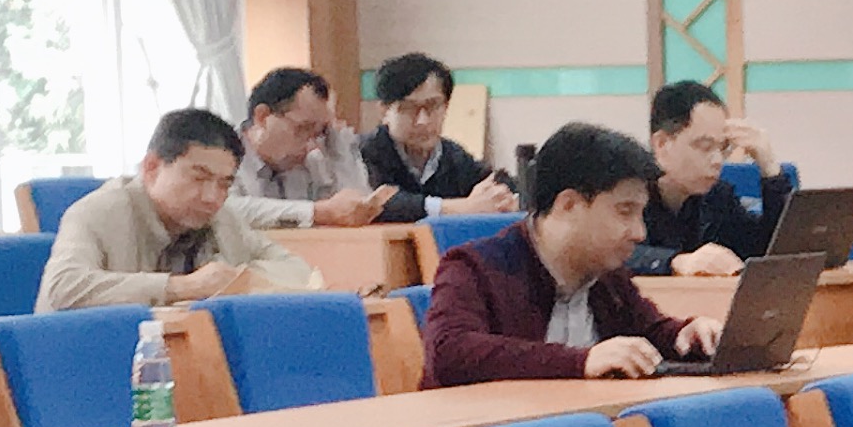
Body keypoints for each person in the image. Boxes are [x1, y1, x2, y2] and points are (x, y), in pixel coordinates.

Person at [421, 123, 720, 385]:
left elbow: (650, 331)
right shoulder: (474, 268)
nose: (639, 232)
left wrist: (686, 335)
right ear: (568, 205)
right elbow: (450, 353)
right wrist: (580, 362)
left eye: (640, 214)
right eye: (625, 211)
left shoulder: (607, 276)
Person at [39, 109, 323, 310]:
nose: (212, 197)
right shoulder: (96, 212)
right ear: (152, 167)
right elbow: (63, 287)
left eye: (224, 184)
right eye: (198, 178)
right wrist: (182, 287)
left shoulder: (222, 219)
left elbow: (298, 271)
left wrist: (237, 280)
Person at [631, 80, 774, 278]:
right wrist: (675, 261)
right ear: (662, 144)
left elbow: (765, 251)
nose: (717, 160)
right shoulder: (625, 192)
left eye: (722, 148)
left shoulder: (717, 196)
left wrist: (770, 170)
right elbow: (606, 253)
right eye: (705, 147)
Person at [355, 53, 516, 222]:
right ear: (384, 111)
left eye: (433, 106)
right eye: (409, 108)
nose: (423, 121)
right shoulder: (362, 154)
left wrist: (503, 198)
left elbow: (492, 181)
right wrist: (459, 207)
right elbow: (375, 203)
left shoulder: (454, 156)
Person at [236, 69, 384, 228]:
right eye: (303, 128)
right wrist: (316, 212)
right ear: (262, 116)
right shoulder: (224, 153)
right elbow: (230, 210)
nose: (310, 146)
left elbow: (353, 207)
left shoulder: (312, 160)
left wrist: (337, 145)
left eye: (319, 133)